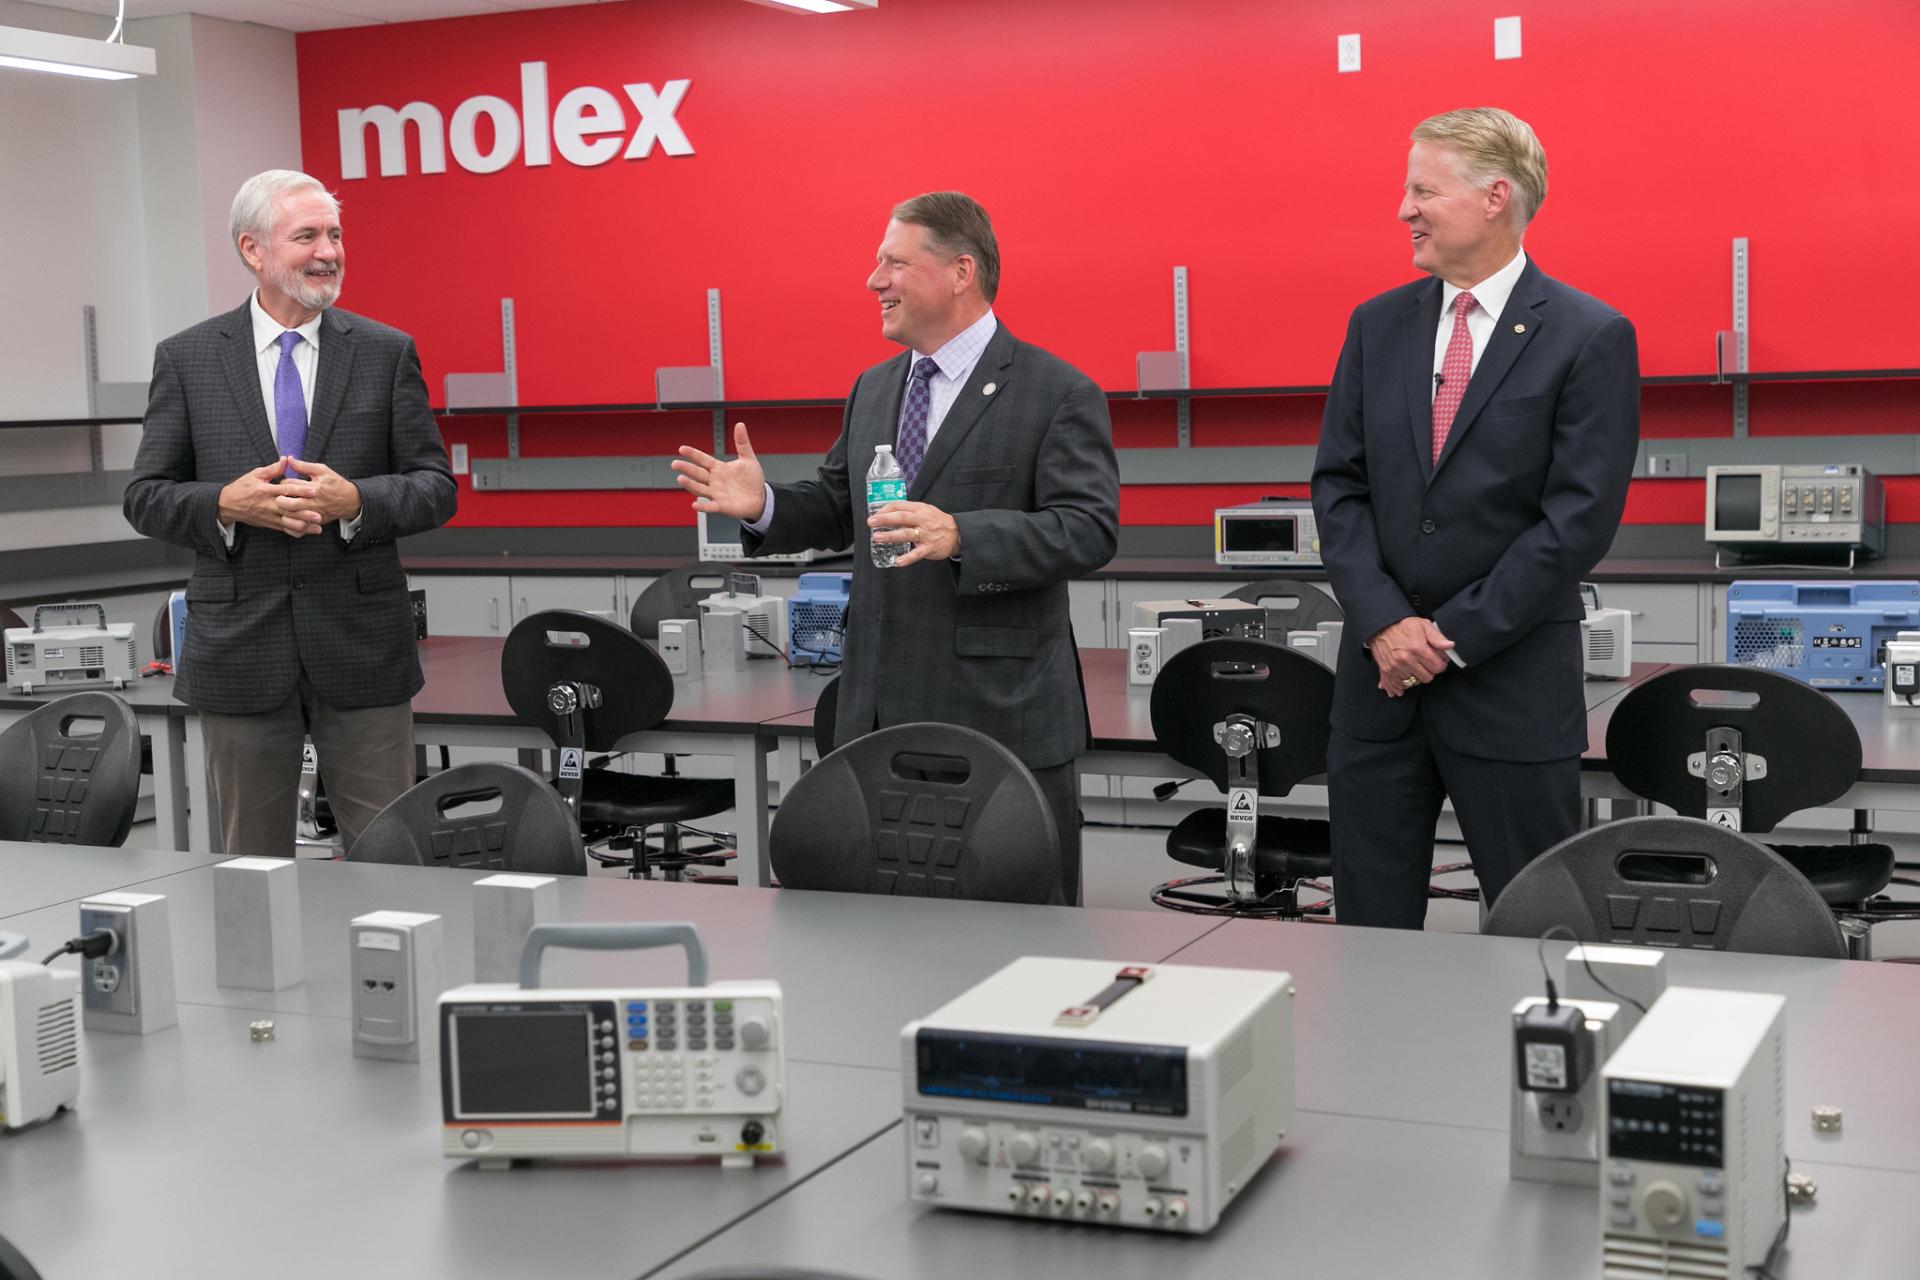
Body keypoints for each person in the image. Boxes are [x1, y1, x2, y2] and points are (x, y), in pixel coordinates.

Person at [672, 191, 1119, 903]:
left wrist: (964, 534)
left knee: (1018, 938)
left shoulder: (1056, 391)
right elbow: (842, 509)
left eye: (892, 262)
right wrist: (765, 505)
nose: (873, 281)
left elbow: (1090, 528)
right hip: (876, 716)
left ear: (959, 271)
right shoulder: (875, 390)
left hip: (998, 717)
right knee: (888, 935)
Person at [1310, 108, 1640, 928]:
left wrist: (1442, 641)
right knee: (1369, 936)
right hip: (1378, 695)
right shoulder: (1376, 325)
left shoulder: (1589, 335)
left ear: (1496, 197)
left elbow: (1578, 523)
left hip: (1508, 694)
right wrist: (1387, 624)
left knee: (1541, 936)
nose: (1403, 210)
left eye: (1423, 189)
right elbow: (1338, 489)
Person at [123, 169, 456, 858]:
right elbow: (146, 495)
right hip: (241, 650)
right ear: (253, 250)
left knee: (391, 858)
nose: (328, 251)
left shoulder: (385, 352)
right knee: (251, 866)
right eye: (306, 236)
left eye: (335, 234)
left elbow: (435, 486)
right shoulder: (187, 359)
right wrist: (223, 502)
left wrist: (356, 501)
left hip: (363, 647)